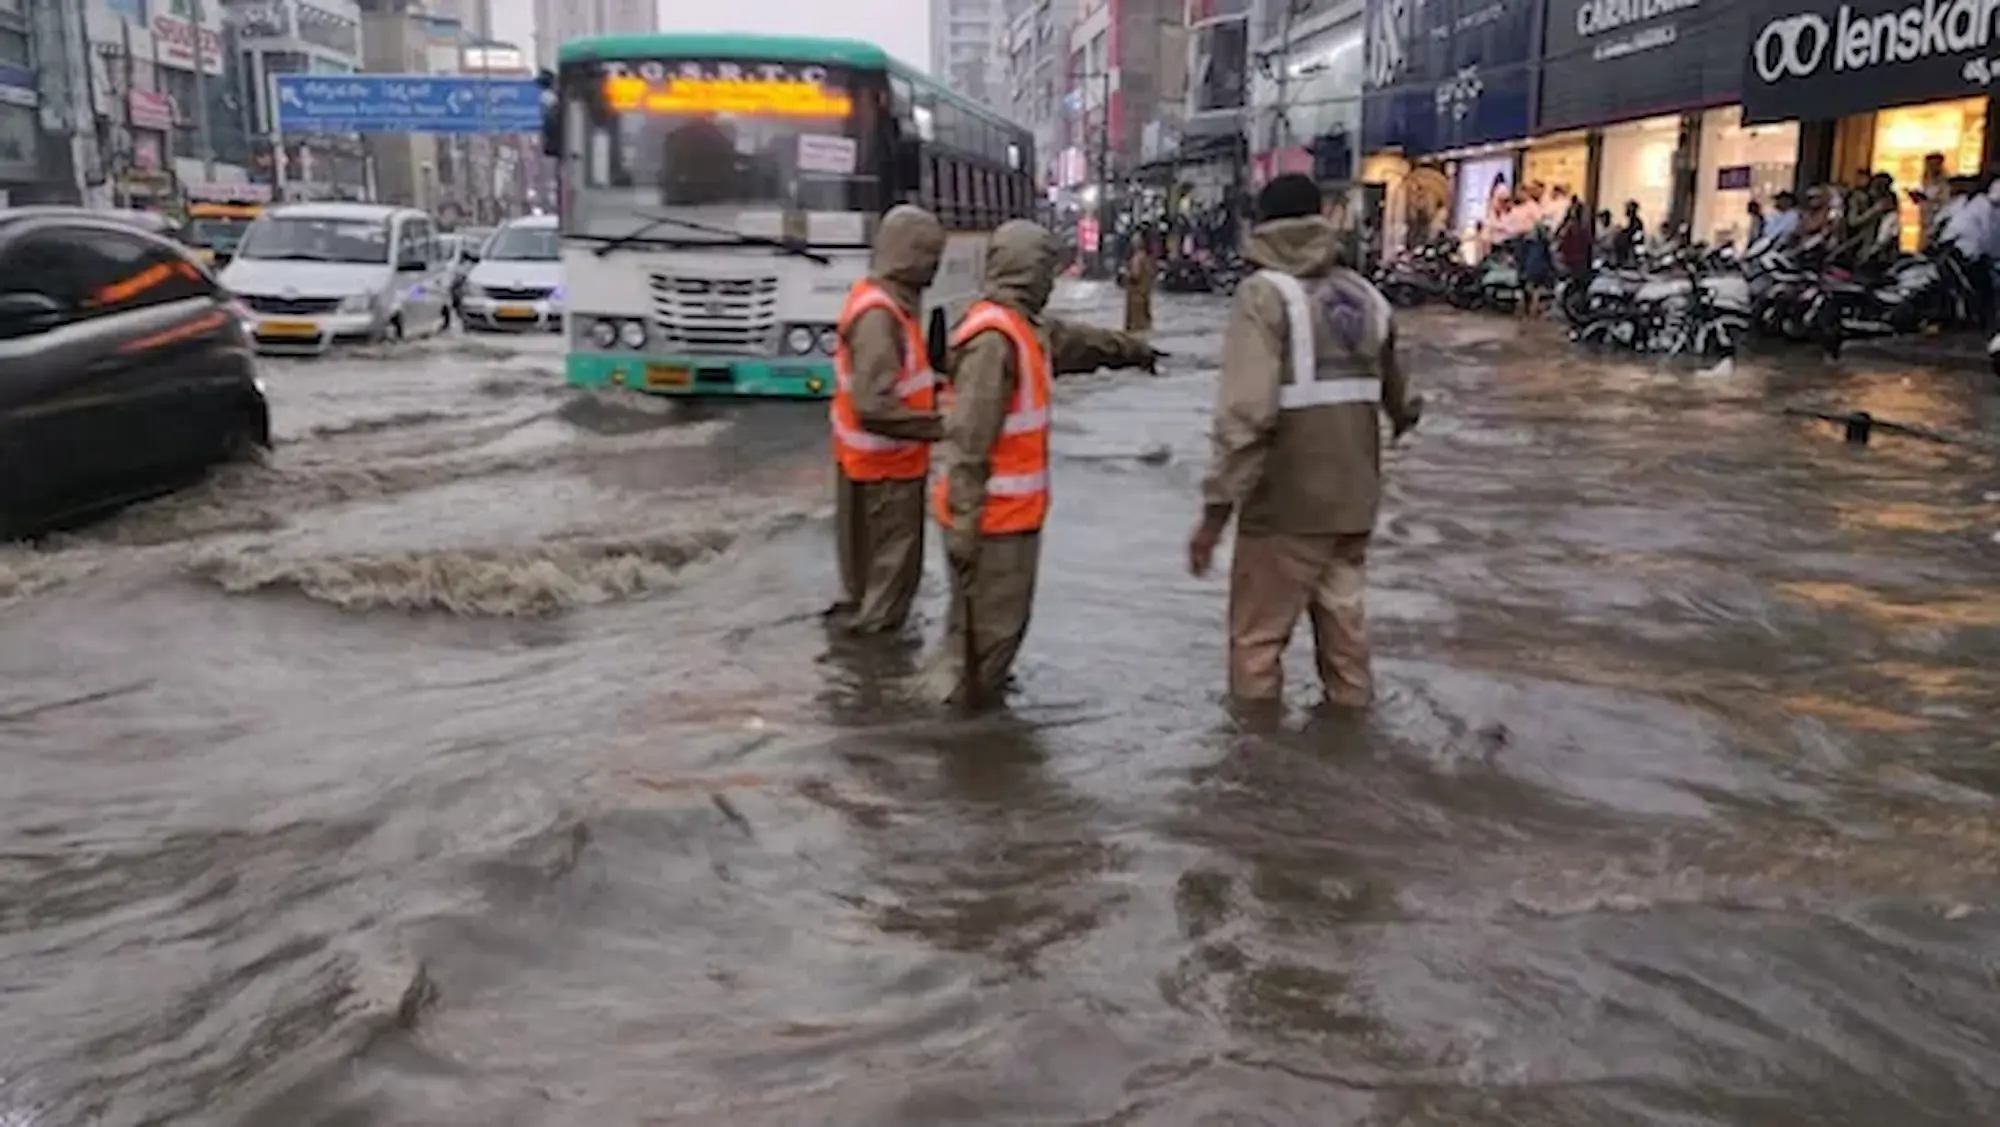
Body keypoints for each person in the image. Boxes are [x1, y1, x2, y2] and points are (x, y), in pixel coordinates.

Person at [1188, 174, 1422, 712]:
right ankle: (1349, 753)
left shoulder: (1263, 295)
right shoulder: (1368, 296)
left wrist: (1214, 515)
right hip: (1354, 505)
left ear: (1263, 226)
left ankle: (1255, 771)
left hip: (1285, 509)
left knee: (1257, 647)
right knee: (1347, 648)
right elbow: (1404, 402)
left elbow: (1246, 416)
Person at [932, 220, 1159, 709]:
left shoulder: (1021, 327)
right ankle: (958, 739)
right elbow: (970, 444)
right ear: (1027, 271)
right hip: (991, 523)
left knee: (984, 638)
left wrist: (1134, 351)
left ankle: (963, 721)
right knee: (987, 641)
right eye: (1045, 269)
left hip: (1006, 520)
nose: (1052, 281)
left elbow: (1079, 343)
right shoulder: (994, 340)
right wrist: (966, 530)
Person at [826, 204, 948, 636]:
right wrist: (942, 425)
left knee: (869, 584)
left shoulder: (883, 304)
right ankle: (872, 679)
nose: (936, 265)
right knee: (888, 589)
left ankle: (858, 663)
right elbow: (873, 406)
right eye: (930, 254)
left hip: (870, 468)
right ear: (907, 255)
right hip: (886, 473)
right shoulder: (881, 316)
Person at [1123, 239, 1156, 333]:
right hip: (1145, 292)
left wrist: (1125, 275)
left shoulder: (1137, 258)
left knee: (1136, 324)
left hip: (1136, 294)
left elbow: (1135, 275)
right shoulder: (1148, 258)